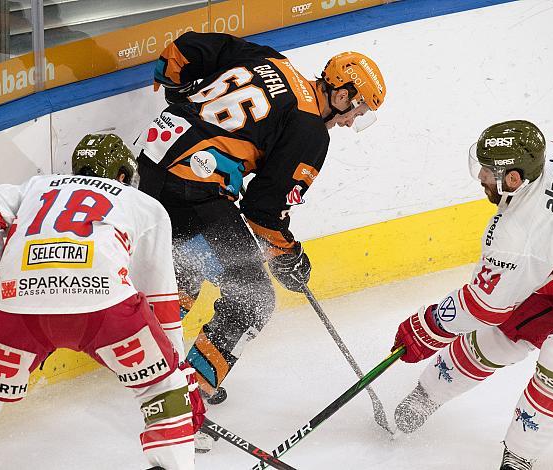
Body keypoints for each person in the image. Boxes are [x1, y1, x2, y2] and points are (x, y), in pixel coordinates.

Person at [135, 32, 386, 451]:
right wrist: (289, 257)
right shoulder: (311, 129)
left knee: (190, 266)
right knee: (253, 298)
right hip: (193, 187)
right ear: (341, 94)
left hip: (152, 161)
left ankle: (152, 375)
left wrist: (175, 87)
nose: (349, 121)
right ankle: (184, 404)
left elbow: (188, 47)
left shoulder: (270, 58)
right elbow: (262, 212)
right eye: (355, 109)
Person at [0, 134, 205, 470]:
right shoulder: (143, 205)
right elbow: (160, 300)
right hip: (104, 308)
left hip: (16, 309)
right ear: (122, 175)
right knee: (162, 389)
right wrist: (177, 371)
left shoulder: (37, 186)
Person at [390, 120, 553, 470]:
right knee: (497, 337)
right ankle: (427, 394)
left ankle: (519, 456)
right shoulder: (546, 159)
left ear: (514, 178)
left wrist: (426, 328)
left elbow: (482, 305)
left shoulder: (519, 231)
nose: (481, 179)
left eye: (488, 173)